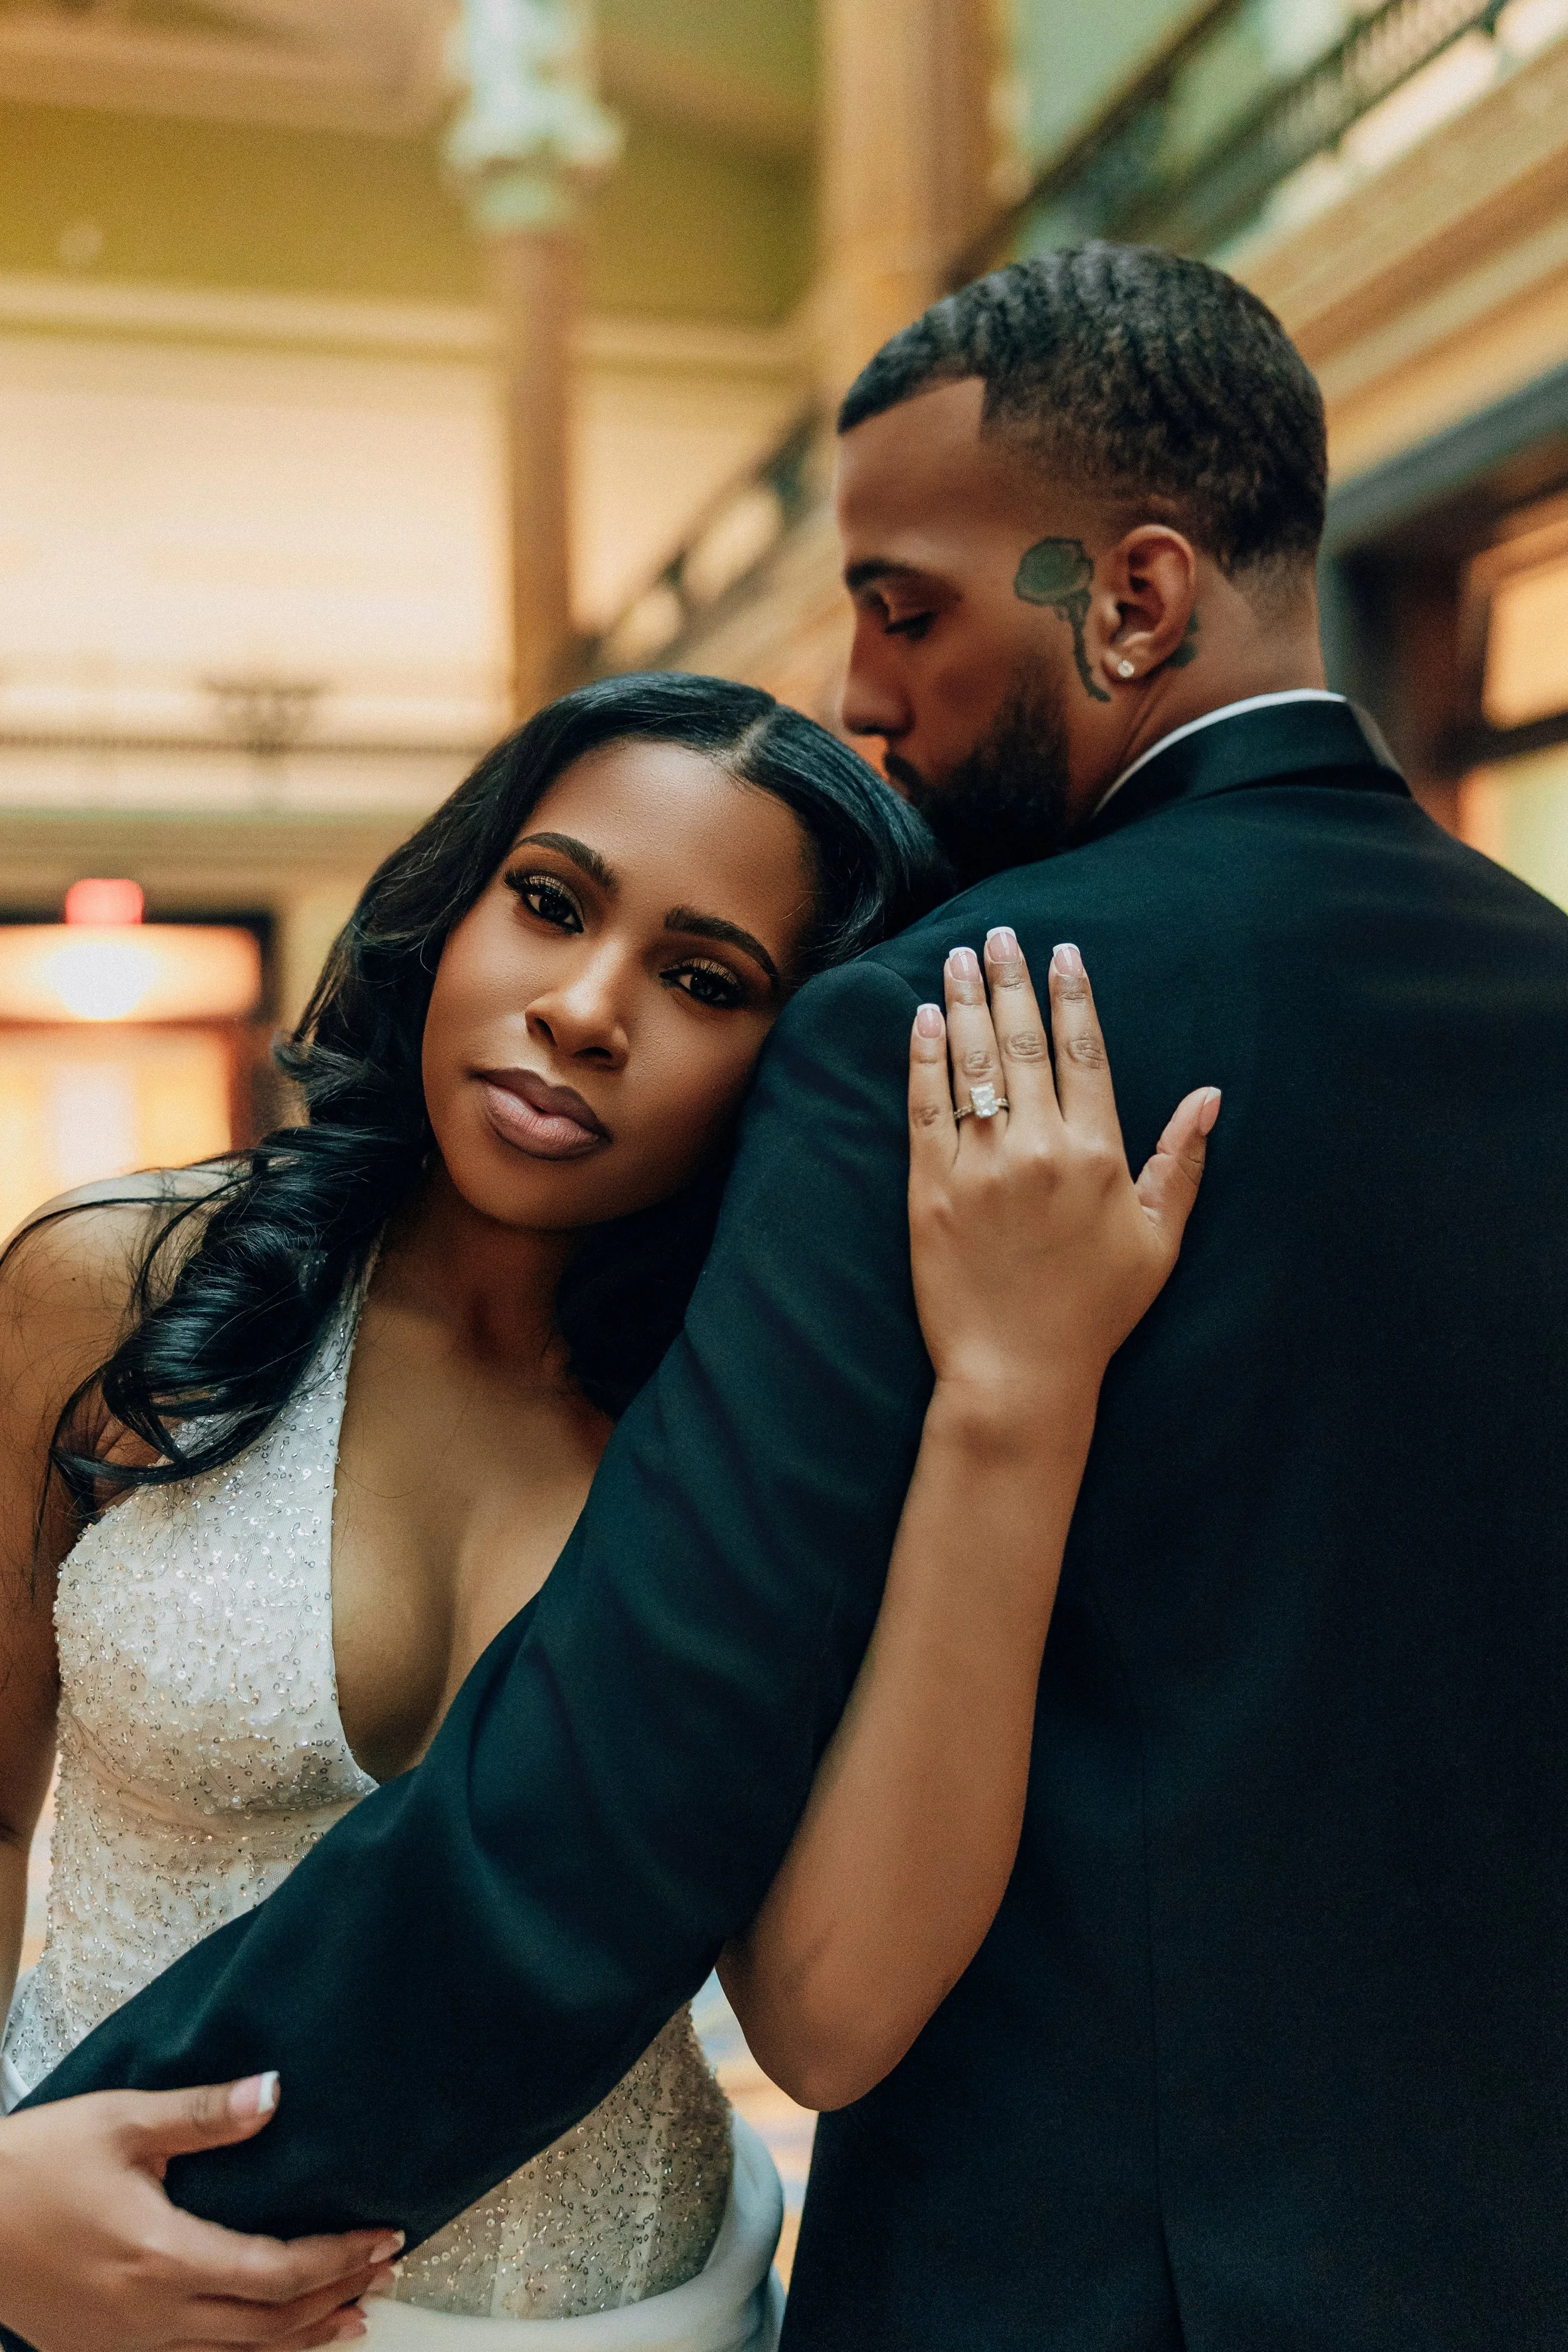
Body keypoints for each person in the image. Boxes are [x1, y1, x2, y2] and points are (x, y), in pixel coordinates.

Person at [9, 240, 1568, 2350]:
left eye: (905, 606)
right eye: (548, 903)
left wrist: (93, 2205)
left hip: (1043, 2280)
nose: (862, 684)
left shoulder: (952, 1019)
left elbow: (602, 1811)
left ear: (1130, 599)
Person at [0, 665, 1213, 2352]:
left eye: (706, 979)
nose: (581, 1006)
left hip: (633, 2323)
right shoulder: (110, 1291)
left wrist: (1018, 1398)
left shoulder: (772, 1441)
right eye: (549, 901)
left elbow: (830, 2021)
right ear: (455, 900)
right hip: (84, 2284)